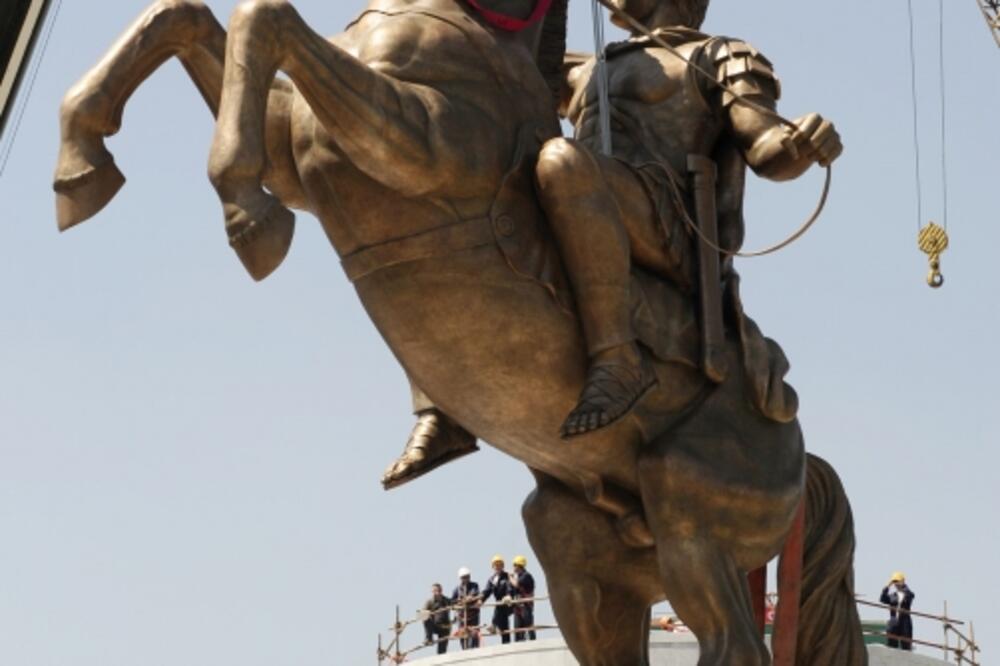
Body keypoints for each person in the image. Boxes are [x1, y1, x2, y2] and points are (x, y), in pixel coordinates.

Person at [533, 0, 841, 436]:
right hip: (584, 202)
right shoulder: (588, 66)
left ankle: (617, 360)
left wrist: (802, 143)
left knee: (562, 161)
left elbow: (766, 148)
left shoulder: (722, 56)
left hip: (667, 221)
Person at [479, 555, 515, 644]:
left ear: (503, 566)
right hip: (499, 605)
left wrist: (509, 595)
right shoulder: (492, 579)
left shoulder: (507, 576)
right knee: (503, 626)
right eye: (496, 565)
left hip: (508, 602)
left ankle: (493, 625)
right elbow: (487, 591)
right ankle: (505, 641)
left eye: (499, 564)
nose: (497, 567)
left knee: (500, 609)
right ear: (493, 567)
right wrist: (481, 600)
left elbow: (509, 586)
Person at [880, 572, 915, 650]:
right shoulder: (892, 596)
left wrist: (904, 586)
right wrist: (888, 585)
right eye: (895, 582)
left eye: (897, 581)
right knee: (892, 646)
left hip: (904, 622)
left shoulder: (908, 594)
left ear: (902, 581)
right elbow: (882, 599)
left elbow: (910, 596)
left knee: (906, 646)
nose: (896, 584)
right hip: (894, 622)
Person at [451, 567, 482, 650]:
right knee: (463, 635)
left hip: (473, 615)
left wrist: (470, 598)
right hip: (461, 616)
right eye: (464, 577)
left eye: (467, 577)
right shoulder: (457, 589)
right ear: (460, 578)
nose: (466, 579)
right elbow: (452, 602)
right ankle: (465, 650)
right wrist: (459, 602)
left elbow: (476, 594)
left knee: (474, 634)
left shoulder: (474, 585)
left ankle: (475, 649)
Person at [509, 555, 537, 641]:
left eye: (514, 565)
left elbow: (516, 584)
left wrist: (510, 576)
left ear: (519, 565)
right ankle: (518, 643)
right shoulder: (518, 576)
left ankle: (533, 643)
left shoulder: (526, 576)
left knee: (529, 626)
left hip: (526, 606)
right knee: (517, 629)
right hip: (518, 606)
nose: (513, 567)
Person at [422, 583, 452, 655]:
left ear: (441, 591)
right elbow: (421, 614)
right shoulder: (429, 602)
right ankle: (429, 638)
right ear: (432, 592)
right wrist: (428, 613)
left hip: (445, 628)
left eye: (438, 590)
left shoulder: (446, 600)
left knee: (441, 652)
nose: (437, 592)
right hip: (435, 626)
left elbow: (456, 604)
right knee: (425, 618)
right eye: (434, 591)